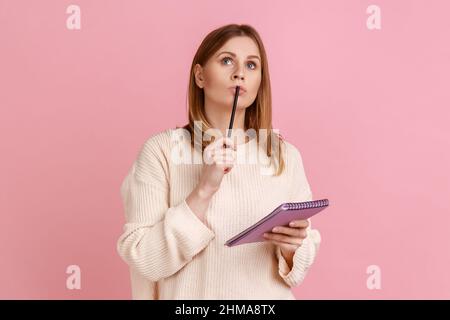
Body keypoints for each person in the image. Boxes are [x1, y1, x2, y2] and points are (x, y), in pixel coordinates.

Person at [116, 23, 321, 300]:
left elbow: (297, 269)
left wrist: (292, 248)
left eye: (251, 65)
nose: (239, 73)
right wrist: (204, 189)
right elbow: (144, 258)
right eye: (227, 61)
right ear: (200, 76)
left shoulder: (284, 156)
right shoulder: (161, 151)